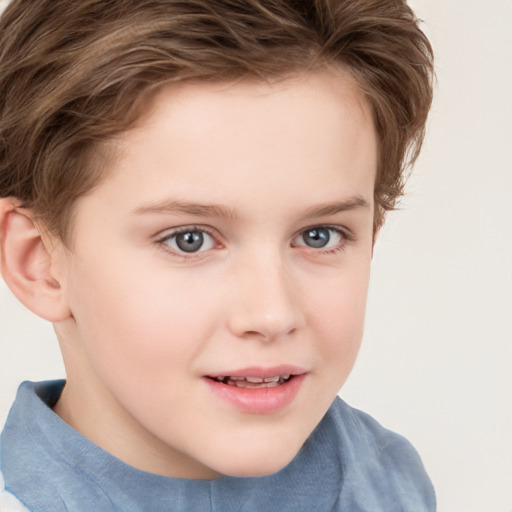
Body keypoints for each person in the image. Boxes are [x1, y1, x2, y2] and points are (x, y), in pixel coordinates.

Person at [0, 0, 435, 510]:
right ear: (40, 264)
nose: (272, 314)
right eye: (190, 239)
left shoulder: (393, 483)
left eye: (319, 235)